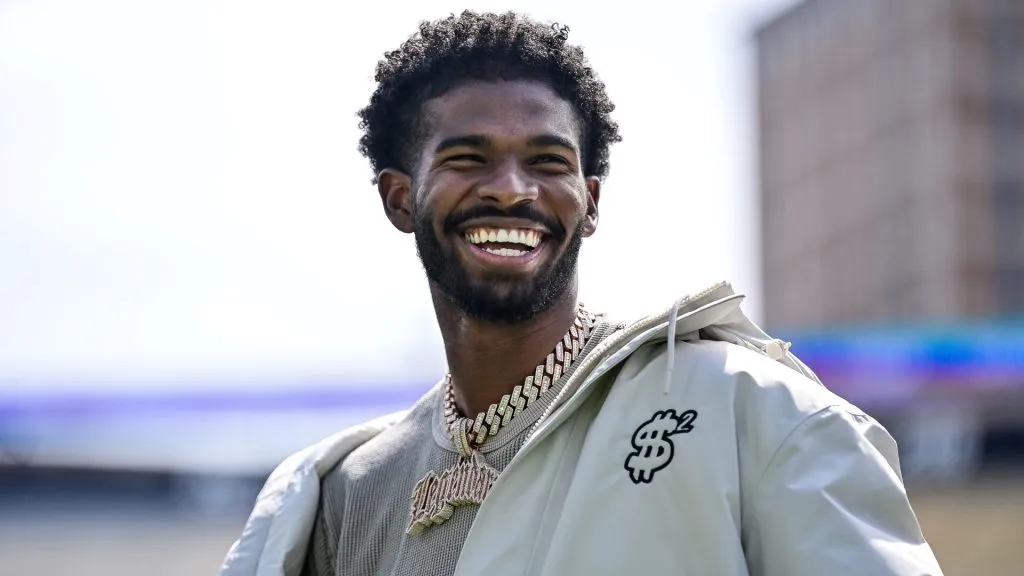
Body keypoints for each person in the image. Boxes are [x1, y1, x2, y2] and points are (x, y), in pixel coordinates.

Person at [219, 10, 943, 576]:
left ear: (588, 202)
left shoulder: (754, 413)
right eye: (469, 158)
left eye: (547, 161)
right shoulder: (346, 495)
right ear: (400, 198)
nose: (511, 189)